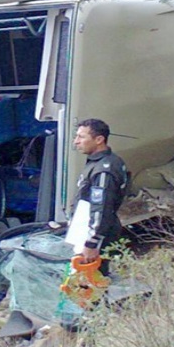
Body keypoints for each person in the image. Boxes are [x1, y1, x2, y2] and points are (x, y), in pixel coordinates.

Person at [73, 118, 129, 276]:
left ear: (99, 140)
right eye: (76, 136)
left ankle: (98, 302)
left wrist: (91, 243)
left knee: (91, 283)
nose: (76, 142)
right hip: (88, 231)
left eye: (81, 137)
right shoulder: (99, 163)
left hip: (97, 236)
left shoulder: (104, 170)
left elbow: (101, 208)